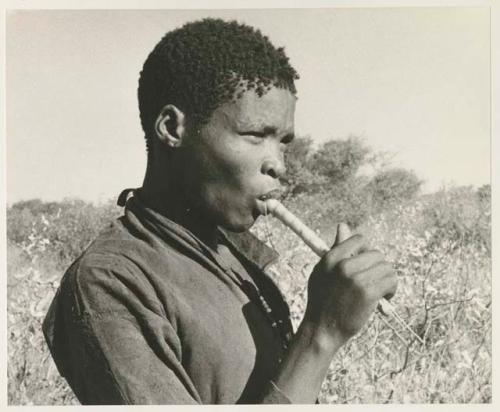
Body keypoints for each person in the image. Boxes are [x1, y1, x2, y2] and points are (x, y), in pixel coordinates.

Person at [43, 18, 397, 404]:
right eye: (255, 135)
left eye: (284, 142)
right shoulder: (109, 284)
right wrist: (320, 335)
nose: (278, 164)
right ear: (172, 129)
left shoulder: (234, 259)